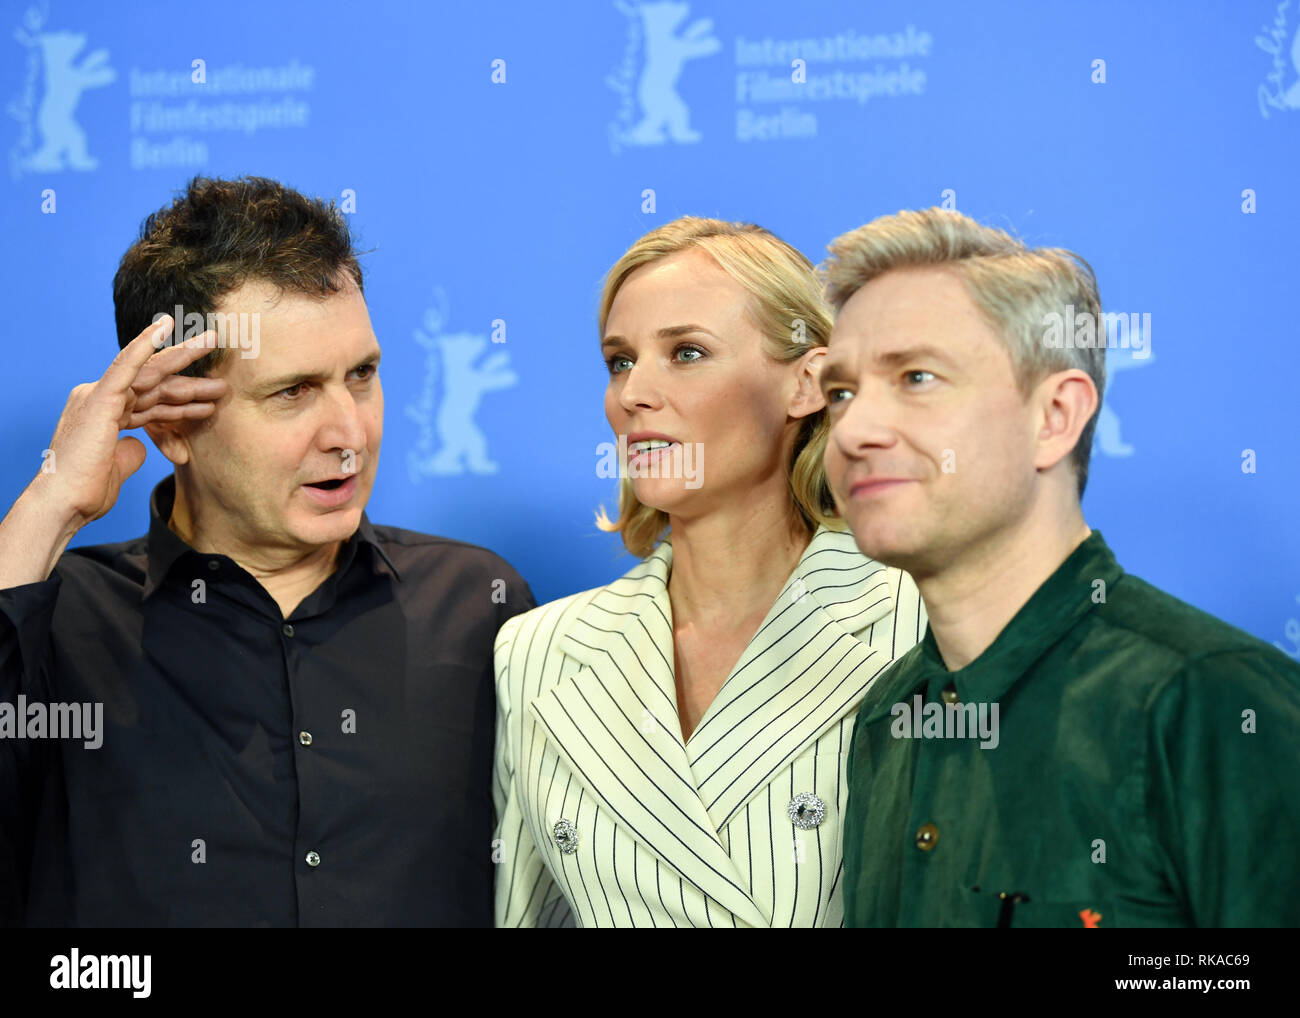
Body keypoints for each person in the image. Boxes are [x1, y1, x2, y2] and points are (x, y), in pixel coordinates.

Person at [0, 175, 533, 927]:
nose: (349, 434)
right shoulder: (59, 629)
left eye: (363, 375)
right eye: (293, 392)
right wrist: (51, 503)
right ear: (173, 426)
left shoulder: (480, 605)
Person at [819, 208, 1300, 927]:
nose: (854, 430)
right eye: (841, 394)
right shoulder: (887, 718)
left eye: (916, 377)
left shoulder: (1208, 701)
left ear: (1054, 417)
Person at [491, 216, 926, 927]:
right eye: (619, 360)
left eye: (686, 352)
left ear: (807, 384)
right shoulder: (537, 653)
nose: (633, 393)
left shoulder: (921, 624)